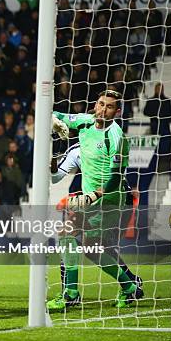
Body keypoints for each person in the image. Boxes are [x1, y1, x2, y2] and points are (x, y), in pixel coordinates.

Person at [48, 90, 143, 310]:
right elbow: (56, 115)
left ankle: (71, 293)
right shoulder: (86, 121)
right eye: (101, 104)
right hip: (92, 200)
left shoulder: (117, 137)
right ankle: (129, 286)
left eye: (109, 107)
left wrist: (95, 195)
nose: (103, 109)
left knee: (69, 234)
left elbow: (115, 176)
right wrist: (53, 121)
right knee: (89, 248)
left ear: (117, 112)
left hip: (110, 200)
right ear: (95, 104)